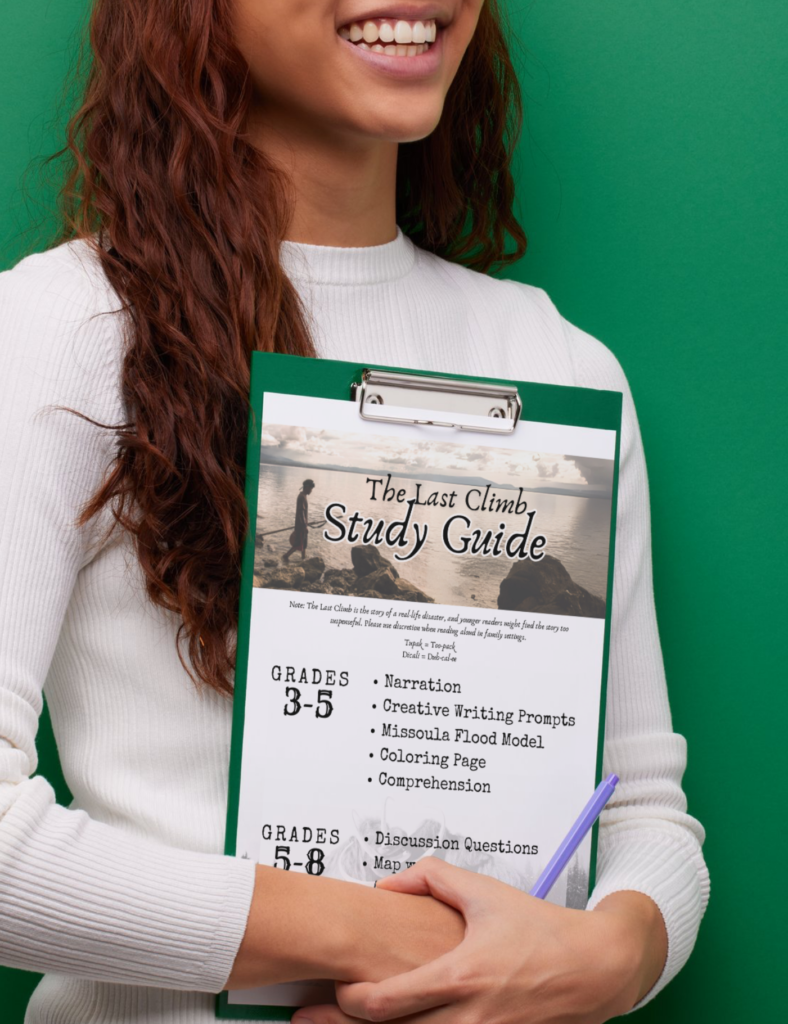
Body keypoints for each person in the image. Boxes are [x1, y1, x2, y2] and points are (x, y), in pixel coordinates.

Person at [0, 2, 709, 1023]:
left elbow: (639, 807)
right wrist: (404, 942)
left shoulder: (554, 362)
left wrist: (614, 953)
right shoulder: (63, 328)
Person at [283, 479, 316, 563]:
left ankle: (303, 559)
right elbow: (301, 513)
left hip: (302, 525)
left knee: (304, 545)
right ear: (307, 487)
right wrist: (305, 526)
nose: (311, 491)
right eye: (311, 488)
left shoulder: (303, 496)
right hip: (301, 526)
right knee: (298, 544)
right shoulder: (301, 497)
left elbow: (302, 513)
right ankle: (286, 556)